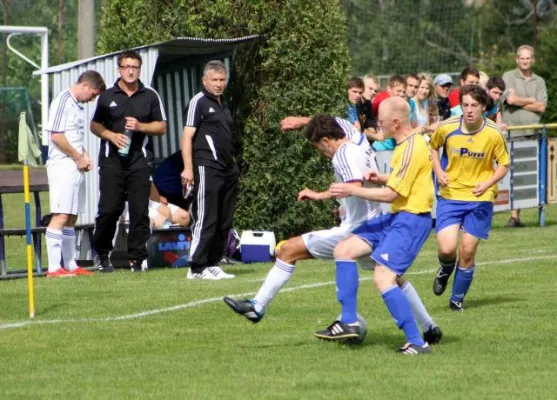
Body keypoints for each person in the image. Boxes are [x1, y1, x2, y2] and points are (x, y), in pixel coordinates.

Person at [223, 115, 442, 347]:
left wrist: (321, 195)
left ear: (326, 140)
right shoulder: (356, 137)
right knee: (391, 279)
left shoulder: (343, 155)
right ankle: (429, 326)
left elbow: (352, 187)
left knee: (289, 249)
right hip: (377, 223)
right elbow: (335, 119)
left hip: (357, 228)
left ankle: (259, 306)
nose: (321, 153)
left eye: (318, 148)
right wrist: (303, 122)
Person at [315, 96, 438, 355]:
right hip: (398, 217)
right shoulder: (407, 144)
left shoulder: (410, 148)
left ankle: (418, 342)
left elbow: (391, 194)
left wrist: (353, 189)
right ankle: (348, 320)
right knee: (344, 250)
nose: (376, 125)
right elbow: (401, 181)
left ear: (395, 122)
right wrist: (380, 177)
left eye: (380, 121)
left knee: (384, 277)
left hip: (411, 221)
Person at [430, 85, 510, 311]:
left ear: (483, 107)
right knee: (447, 249)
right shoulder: (447, 127)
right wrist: (438, 171)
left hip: (480, 197)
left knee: (467, 250)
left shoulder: (493, 133)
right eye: (465, 105)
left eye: (474, 105)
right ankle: (445, 268)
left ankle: (456, 300)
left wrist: (487, 183)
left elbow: (504, 164)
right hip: (451, 194)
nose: (469, 110)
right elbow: (433, 147)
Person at [90, 49, 167, 273]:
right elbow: (95, 125)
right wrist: (111, 136)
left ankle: (137, 259)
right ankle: (103, 255)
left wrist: (141, 126)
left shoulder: (150, 95)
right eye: (126, 67)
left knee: (139, 211)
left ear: (139, 69)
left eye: (135, 67)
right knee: (110, 209)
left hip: (139, 162)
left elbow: (161, 126)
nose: (131, 71)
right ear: (119, 69)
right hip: (111, 162)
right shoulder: (107, 96)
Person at [44, 71, 106, 277]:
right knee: (61, 214)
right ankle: (53, 268)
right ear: (85, 86)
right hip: (62, 165)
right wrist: (77, 157)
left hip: (75, 166)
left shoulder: (78, 106)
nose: (93, 99)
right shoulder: (63, 100)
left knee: (71, 216)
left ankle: (71, 265)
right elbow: (55, 135)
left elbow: (74, 137)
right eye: (93, 95)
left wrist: (84, 156)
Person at [181, 60, 239, 280]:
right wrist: (188, 168)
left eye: (222, 80)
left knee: (224, 218)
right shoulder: (198, 102)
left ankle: (212, 263)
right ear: (204, 80)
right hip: (207, 165)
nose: (218, 84)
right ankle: (195, 267)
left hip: (227, 167)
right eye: (214, 80)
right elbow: (187, 137)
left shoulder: (223, 103)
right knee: (206, 217)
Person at [502, 45, 548, 228]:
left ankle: (535, 214)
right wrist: (530, 101)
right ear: (517, 59)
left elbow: (542, 107)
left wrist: (520, 101)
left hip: (533, 133)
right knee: (513, 174)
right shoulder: (508, 76)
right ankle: (514, 216)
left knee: (531, 175)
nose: (525, 61)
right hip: (513, 133)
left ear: (533, 60)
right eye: (522, 58)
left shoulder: (539, 81)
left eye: (528, 58)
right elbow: (509, 100)